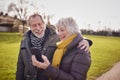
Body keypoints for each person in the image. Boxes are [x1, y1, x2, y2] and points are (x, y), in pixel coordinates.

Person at [16, 13, 92, 80]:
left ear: (44, 23)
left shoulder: (56, 37)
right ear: (30, 27)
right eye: (34, 25)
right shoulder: (24, 41)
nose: (38, 28)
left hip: (48, 76)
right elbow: (20, 65)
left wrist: (86, 41)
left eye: (40, 24)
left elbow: (73, 36)